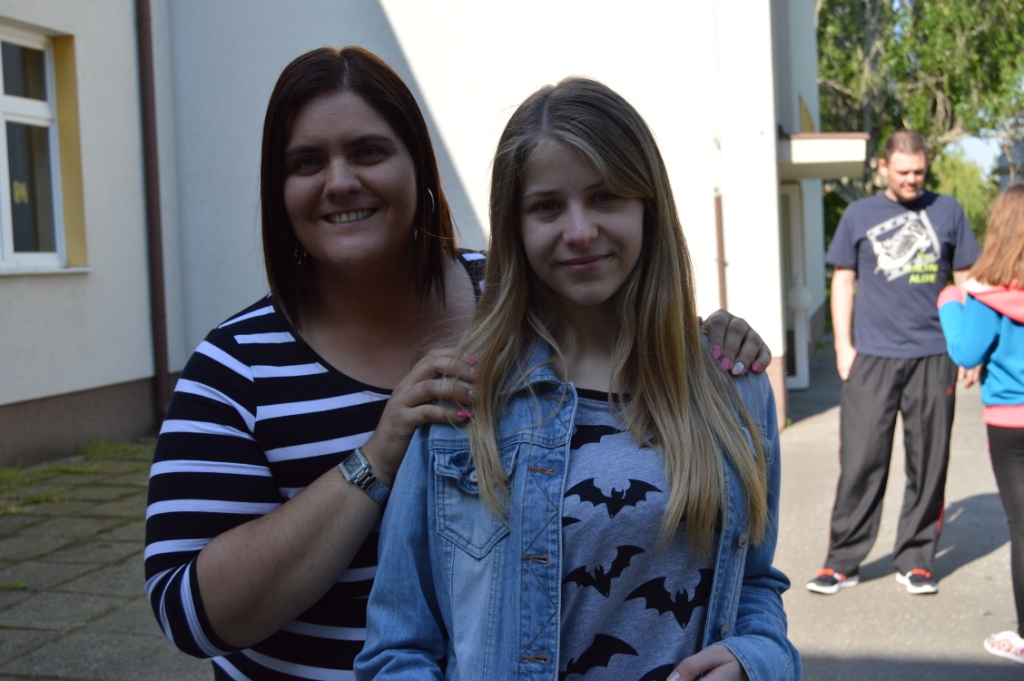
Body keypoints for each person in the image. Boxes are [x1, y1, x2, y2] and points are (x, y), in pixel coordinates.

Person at [143, 47, 773, 679]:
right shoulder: (236, 367)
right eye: (307, 162)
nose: (340, 182)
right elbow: (185, 612)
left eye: (368, 152)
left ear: (421, 166)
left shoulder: (512, 294)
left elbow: (615, 308)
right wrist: (375, 459)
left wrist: (708, 344)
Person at [355, 77, 799, 681]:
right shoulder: (464, 399)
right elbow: (397, 646)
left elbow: (754, 583)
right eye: (547, 207)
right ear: (514, 226)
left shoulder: (731, 387)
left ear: (648, 206)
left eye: (606, 196)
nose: (581, 231)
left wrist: (756, 662)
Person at [806, 130, 981, 597]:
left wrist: (968, 346)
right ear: (883, 167)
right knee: (861, 461)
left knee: (929, 462)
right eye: (903, 172)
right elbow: (844, 281)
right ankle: (843, 561)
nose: (912, 180)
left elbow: (966, 280)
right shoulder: (859, 215)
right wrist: (843, 346)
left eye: (919, 172)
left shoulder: (948, 210)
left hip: (934, 355)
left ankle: (917, 560)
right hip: (872, 357)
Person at [937, 182, 1024, 664]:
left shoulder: (986, 296)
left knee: (1023, 526)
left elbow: (966, 352)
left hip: (1011, 424)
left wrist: (950, 300)